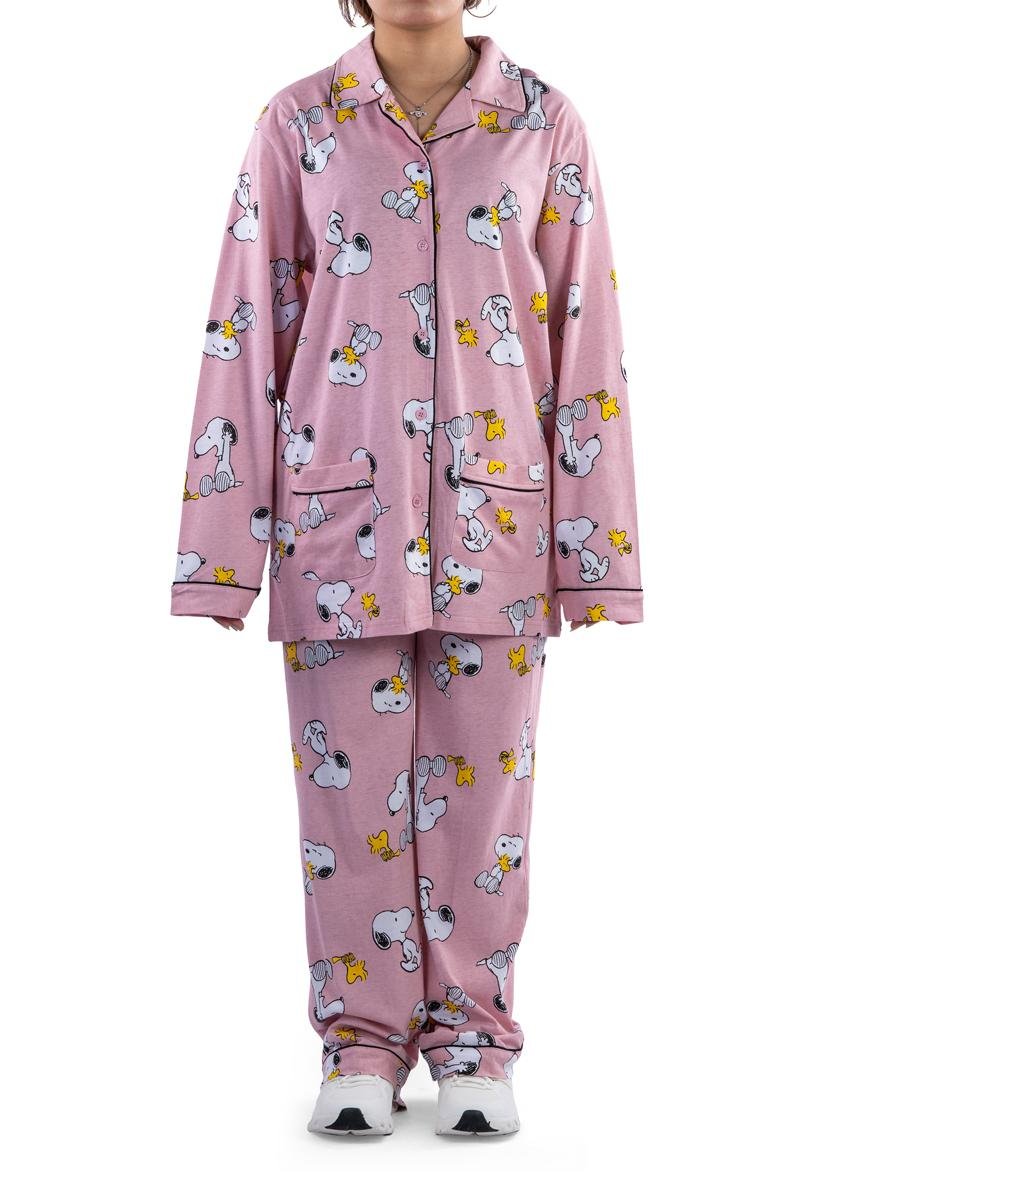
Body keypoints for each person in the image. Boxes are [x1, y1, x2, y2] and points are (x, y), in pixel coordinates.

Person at [170, 0, 643, 1137]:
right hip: (340, 526)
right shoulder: (298, 124)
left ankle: (475, 1043)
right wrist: (221, 551)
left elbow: (586, 336)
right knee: (345, 803)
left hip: (498, 526)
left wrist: (596, 554)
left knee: (486, 804)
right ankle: (362, 1044)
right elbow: (246, 324)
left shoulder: (544, 123)